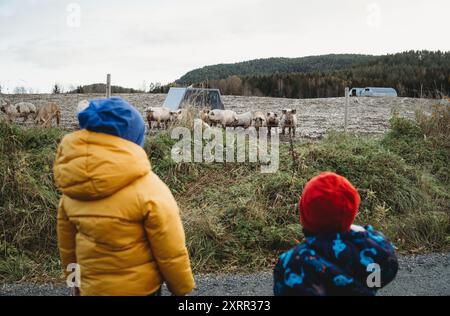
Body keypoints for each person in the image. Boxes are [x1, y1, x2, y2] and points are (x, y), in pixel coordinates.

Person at [54, 97, 195, 296]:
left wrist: (73, 284)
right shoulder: (150, 188)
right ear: (134, 141)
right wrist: (181, 288)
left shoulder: (72, 189)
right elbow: (169, 247)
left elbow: (67, 247)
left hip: (92, 290)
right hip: (141, 289)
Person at [274, 172, 398, 296]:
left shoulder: (293, 261)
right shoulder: (377, 251)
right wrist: (353, 230)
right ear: (352, 211)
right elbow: (386, 268)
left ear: (305, 213)